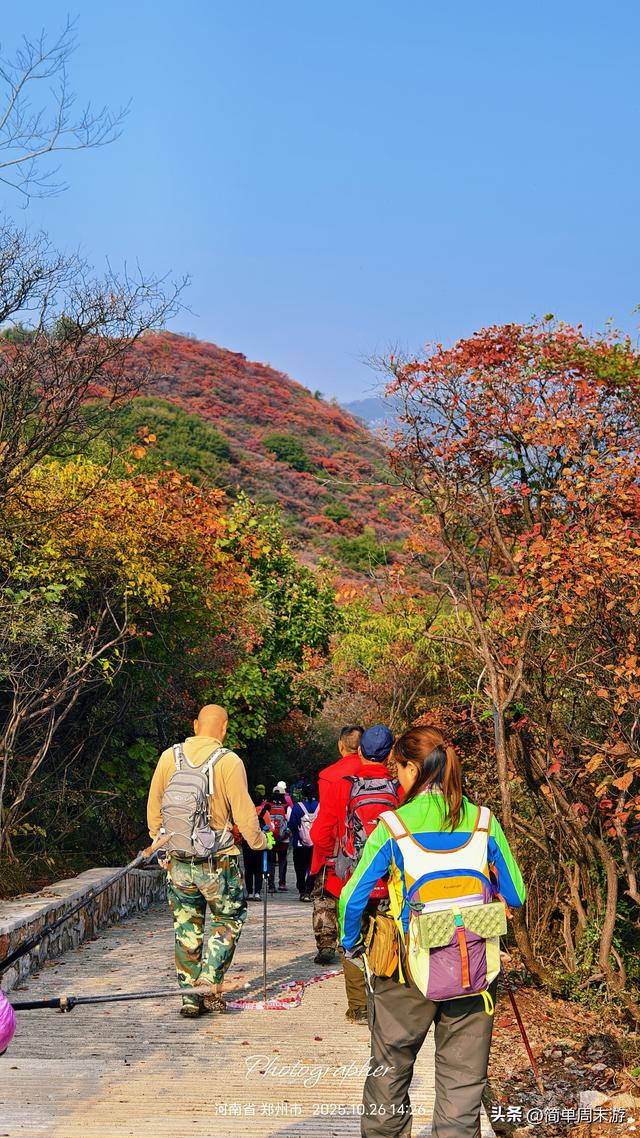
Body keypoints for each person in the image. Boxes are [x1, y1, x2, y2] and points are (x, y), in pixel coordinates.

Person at [339, 725, 526, 1138]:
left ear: (411, 768)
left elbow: (351, 900)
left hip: (406, 969)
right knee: (462, 1081)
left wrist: (353, 945)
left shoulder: (392, 826)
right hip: (472, 968)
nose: (397, 779)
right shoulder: (483, 821)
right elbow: (516, 893)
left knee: (389, 1070)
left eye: (398, 770)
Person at [147, 703, 274, 1018]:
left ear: (195, 725)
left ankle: (190, 998)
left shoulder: (168, 758)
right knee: (228, 918)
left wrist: (160, 844)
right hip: (218, 861)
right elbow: (245, 816)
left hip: (177, 858)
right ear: (225, 728)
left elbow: (154, 809)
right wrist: (260, 843)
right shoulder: (229, 762)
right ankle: (208, 979)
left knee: (186, 927)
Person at [310, 724, 364, 969]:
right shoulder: (372, 773)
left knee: (325, 897)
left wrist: (322, 846)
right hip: (363, 845)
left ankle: (326, 944)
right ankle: (350, 939)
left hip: (333, 845)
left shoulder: (329, 775)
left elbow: (327, 816)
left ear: (340, 746)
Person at [287, 782, 318, 900]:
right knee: (313, 867)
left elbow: (292, 824)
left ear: (303, 793)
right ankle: (308, 890)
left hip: (299, 844)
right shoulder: (320, 806)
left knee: (300, 868)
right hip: (316, 844)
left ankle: (301, 890)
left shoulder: (297, 806)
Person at [242, 788, 272, 901]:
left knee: (248, 869)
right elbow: (270, 828)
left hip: (247, 843)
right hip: (260, 843)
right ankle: (257, 893)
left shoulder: (245, 812)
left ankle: (249, 892)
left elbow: (239, 828)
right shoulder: (265, 812)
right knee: (259, 869)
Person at [267, 788, 291, 891]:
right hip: (283, 839)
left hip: (270, 838)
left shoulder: (268, 806)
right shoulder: (286, 807)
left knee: (271, 861)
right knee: (282, 860)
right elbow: (290, 821)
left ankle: (271, 884)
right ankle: (282, 883)